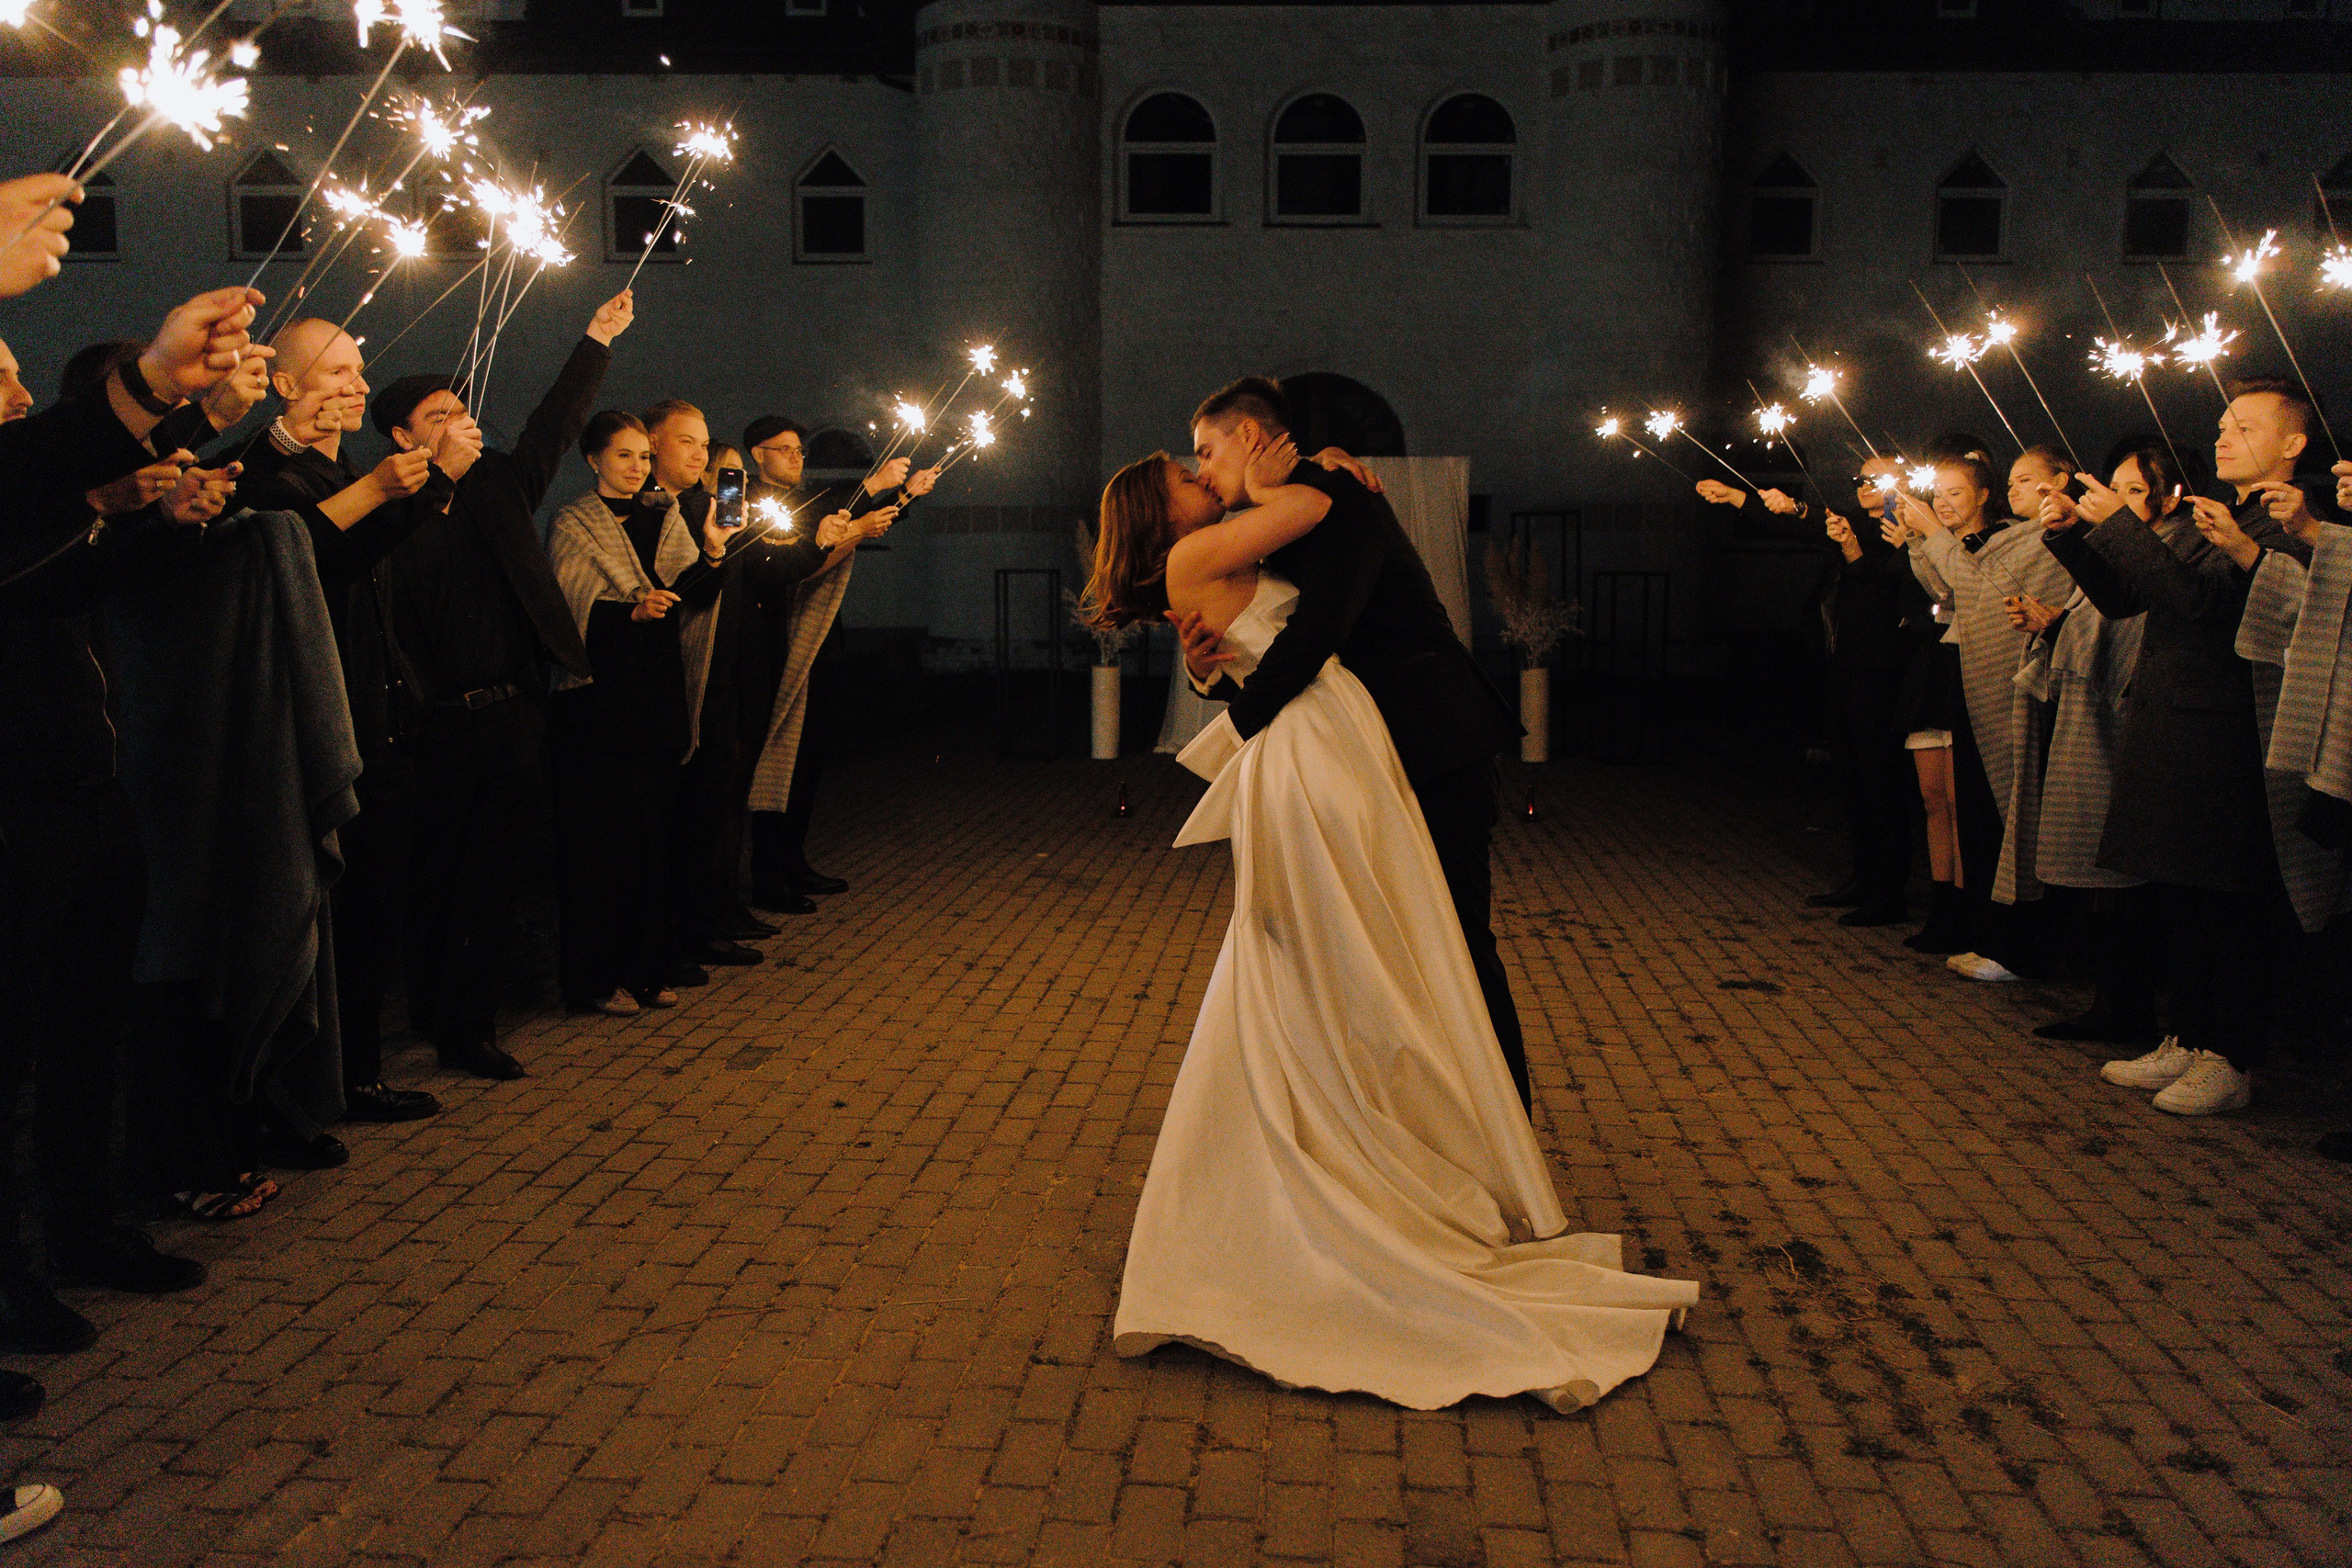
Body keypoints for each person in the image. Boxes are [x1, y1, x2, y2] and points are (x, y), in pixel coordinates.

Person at [1095, 419, 1697, 1410]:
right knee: (1360, 954)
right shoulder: (1217, 539)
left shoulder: (1207, 552)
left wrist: (1222, 627)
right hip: (1316, 754)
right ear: (1161, 510)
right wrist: (1313, 468)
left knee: (1346, 958)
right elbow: (1320, 511)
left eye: (1205, 455)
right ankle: (1379, 1162)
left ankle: (1384, 1143)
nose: (1203, 473)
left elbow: (1238, 631)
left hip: (1334, 743)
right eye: (1186, 470)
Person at [370, 290, 633, 1079]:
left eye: (461, 406)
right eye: (440, 414)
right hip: (438, 722)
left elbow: (553, 426)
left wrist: (596, 340)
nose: (462, 419)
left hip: (515, 711)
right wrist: (430, 487)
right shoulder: (387, 506)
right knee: (434, 877)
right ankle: (427, 1010)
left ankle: (470, 1027)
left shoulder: (498, 483)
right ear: (402, 436)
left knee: (493, 875)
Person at [2044, 383, 2319, 1115]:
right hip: (2173, 718)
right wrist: (2078, 532)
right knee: (2180, 892)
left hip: (2227, 727)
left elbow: (2205, 603)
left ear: (2293, 444)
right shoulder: (2216, 514)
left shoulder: (2288, 521)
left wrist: (2123, 530)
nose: (2223, 437)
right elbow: (2131, 599)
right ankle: (2189, 1036)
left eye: (2245, 427)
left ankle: (2230, 1057)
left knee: (2225, 897)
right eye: (2222, 425)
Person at [234, 318, 467, 1128]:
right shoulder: (259, 473)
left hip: (378, 719)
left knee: (372, 916)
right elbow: (304, 556)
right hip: (309, 733)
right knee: (314, 917)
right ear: (286, 385)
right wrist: (385, 488)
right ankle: (291, 1093)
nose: (357, 387)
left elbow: (368, 555)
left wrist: (431, 484)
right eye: (335, 373)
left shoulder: (333, 467)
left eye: (359, 372)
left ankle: (354, 1070)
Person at [546, 412, 731, 1013]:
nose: (636, 468)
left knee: (655, 845)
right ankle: (596, 980)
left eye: (642, 457)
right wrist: (627, 612)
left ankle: (647, 971)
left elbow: (689, 597)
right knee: (606, 850)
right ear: (594, 459)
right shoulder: (574, 521)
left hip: (656, 701)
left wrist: (713, 553)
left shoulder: (666, 514)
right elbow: (569, 611)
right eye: (623, 456)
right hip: (601, 705)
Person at [1700, 457, 1928, 924]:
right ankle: (1864, 878)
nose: (1865, 486)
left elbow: (1893, 582)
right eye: (1859, 478)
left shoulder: (1908, 529)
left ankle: (1888, 892)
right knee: (1852, 780)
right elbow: (1805, 529)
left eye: (1876, 480)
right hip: (1844, 668)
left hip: (1884, 674)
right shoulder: (1854, 523)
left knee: (1882, 783)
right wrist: (1740, 497)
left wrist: (1842, 544)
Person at [2003, 446, 2177, 1046]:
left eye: (2135, 493)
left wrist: (2060, 623)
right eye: (2118, 491)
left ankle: (2130, 1006)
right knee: (2100, 877)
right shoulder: (2121, 556)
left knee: (2123, 881)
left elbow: (2129, 631)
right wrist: (2053, 623)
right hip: (2091, 724)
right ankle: (2113, 1000)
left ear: (2169, 498)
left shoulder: (2166, 558)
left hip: (2128, 733)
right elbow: (2101, 613)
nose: (2122, 505)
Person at [742, 423, 928, 909]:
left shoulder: (802, 495)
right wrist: (875, 486)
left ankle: (793, 860)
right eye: (784, 450)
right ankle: (769, 874)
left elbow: (848, 518)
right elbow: (826, 530)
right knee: (780, 762)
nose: (796, 457)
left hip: (821, 642)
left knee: (808, 761)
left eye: (799, 450)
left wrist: (906, 493)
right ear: (757, 455)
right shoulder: (757, 500)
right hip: (782, 643)